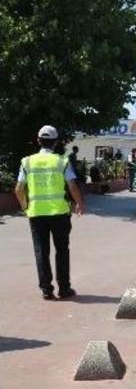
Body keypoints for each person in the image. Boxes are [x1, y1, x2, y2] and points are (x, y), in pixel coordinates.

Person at [14, 125, 86, 300]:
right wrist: (79, 203)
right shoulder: (62, 161)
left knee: (41, 252)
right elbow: (72, 185)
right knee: (62, 250)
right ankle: (64, 288)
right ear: (55, 143)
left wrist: (25, 206)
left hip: (36, 214)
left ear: (39, 141)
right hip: (60, 213)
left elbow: (18, 188)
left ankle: (47, 290)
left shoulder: (27, 162)